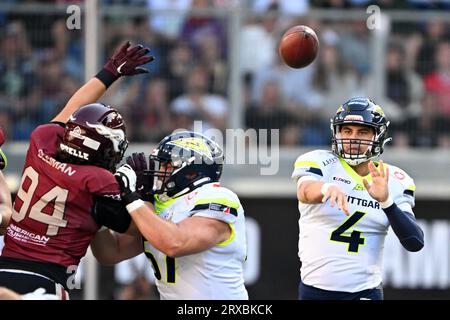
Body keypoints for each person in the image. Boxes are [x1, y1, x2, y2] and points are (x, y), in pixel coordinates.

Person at [0, 41, 154, 299]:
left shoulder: (42, 142)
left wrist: (110, 72)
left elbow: (72, 110)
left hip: (4, 269)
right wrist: (143, 196)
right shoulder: (98, 181)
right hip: (45, 282)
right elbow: (141, 229)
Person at [291, 97, 424, 300]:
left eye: (362, 132)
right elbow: (305, 191)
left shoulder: (394, 179)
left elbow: (415, 242)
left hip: (364, 292)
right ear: (337, 133)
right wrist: (327, 188)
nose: (353, 139)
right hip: (314, 291)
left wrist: (387, 202)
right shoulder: (321, 162)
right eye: (347, 131)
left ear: (377, 136)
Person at [91, 131, 248, 300]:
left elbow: (175, 243)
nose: (159, 172)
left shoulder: (218, 197)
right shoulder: (159, 204)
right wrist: (97, 214)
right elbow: (111, 252)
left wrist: (132, 197)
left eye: (167, 165)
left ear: (191, 172)